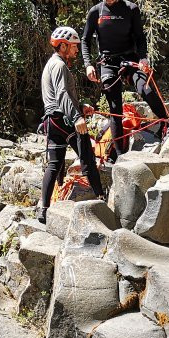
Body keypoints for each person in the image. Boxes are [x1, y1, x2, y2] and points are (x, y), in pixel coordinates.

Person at [82, 0, 168, 161]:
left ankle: (166, 123)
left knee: (145, 88)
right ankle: (119, 156)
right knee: (115, 109)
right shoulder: (95, 12)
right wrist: (88, 64)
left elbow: (140, 38)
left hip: (130, 60)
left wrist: (143, 59)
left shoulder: (131, 9)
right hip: (108, 63)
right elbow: (85, 40)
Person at [37, 26, 105, 224]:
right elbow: (62, 94)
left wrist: (80, 106)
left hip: (52, 122)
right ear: (64, 45)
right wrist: (76, 117)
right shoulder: (59, 66)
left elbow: (57, 97)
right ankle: (101, 200)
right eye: (74, 46)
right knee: (88, 159)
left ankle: (44, 209)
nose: (77, 50)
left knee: (54, 165)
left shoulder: (52, 64)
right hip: (67, 122)